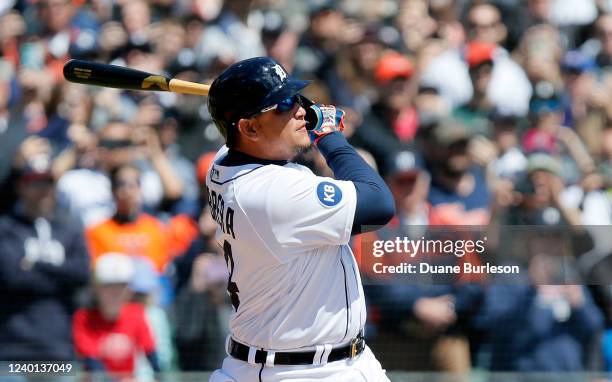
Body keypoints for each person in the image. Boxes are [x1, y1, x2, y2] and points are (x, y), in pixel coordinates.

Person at [204, 56, 395, 381]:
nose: (300, 111)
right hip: (296, 371)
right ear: (248, 128)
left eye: (295, 98)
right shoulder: (271, 193)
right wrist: (330, 136)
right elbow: (378, 205)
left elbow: (242, 138)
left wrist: (285, 106)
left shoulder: (226, 162)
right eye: (282, 106)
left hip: (333, 360)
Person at [72, 252, 160, 381]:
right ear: (96, 289)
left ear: (129, 290)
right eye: (108, 287)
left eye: (120, 287)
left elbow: (151, 354)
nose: (115, 293)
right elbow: (91, 362)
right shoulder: (83, 318)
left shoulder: (136, 314)